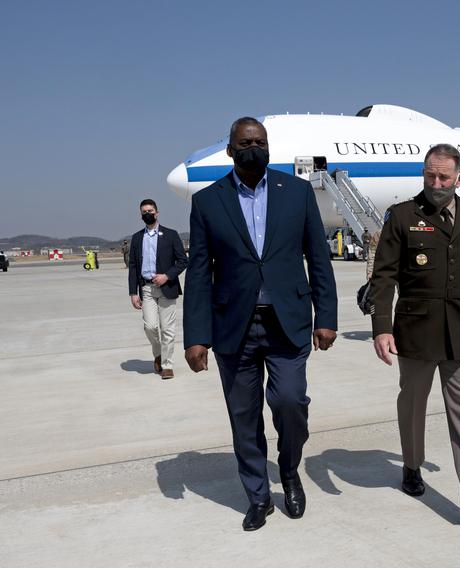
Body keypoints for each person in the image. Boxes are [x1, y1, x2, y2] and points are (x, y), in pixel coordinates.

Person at [182, 117, 338, 531]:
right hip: (234, 325)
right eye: (246, 142)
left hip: (287, 321)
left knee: (290, 404)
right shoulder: (208, 201)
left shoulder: (298, 193)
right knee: (243, 416)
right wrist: (196, 336)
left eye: (261, 142)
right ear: (231, 150)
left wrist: (326, 317)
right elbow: (198, 273)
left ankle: (288, 470)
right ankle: (257, 496)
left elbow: (318, 259)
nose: (255, 147)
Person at [369, 144, 460, 531]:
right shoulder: (402, 216)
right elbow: (383, 277)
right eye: (430, 174)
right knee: (412, 405)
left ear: (459, 178)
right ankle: (411, 466)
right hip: (416, 329)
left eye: (444, 176)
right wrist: (381, 327)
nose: (436, 182)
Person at [127, 199, 187, 379]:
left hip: (167, 287)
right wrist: (132, 292)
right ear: (140, 214)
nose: (147, 213)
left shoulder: (170, 235)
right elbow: (133, 266)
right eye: (144, 211)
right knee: (150, 327)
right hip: (146, 289)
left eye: (150, 210)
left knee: (167, 329)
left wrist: (167, 276)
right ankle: (159, 354)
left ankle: (167, 365)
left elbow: (183, 261)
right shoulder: (137, 238)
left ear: (157, 212)